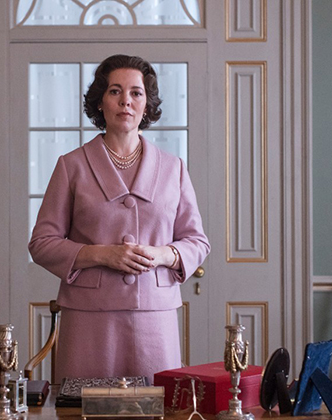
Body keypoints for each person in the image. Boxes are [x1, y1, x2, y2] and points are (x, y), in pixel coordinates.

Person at [28, 54, 210, 383]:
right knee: (84, 405)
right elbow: (41, 243)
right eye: (115, 91)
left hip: (155, 317)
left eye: (136, 93)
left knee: (158, 405)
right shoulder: (71, 166)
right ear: (100, 102)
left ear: (147, 104)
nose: (126, 101)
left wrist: (162, 254)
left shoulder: (173, 168)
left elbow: (197, 241)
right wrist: (101, 254)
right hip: (88, 319)